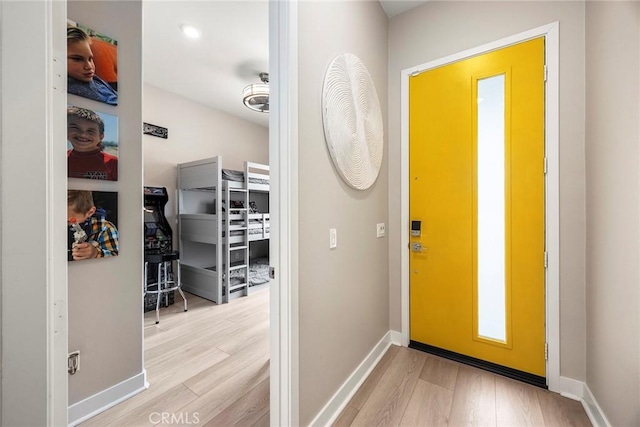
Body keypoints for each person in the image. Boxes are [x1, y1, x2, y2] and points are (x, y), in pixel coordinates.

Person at [67, 26, 118, 105]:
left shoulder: (89, 77)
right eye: (77, 59)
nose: (89, 66)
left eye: (90, 59)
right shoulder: (76, 89)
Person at [68, 106, 118, 180]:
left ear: (101, 137)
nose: (83, 134)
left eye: (90, 131)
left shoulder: (114, 163)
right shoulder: (58, 158)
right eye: (75, 128)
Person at [68, 190, 119, 261]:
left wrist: (95, 253)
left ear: (90, 212)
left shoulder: (105, 229)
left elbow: (117, 258)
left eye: (70, 221)